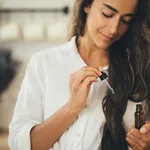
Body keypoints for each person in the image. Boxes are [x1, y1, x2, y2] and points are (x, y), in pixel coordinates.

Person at [8, 0, 150, 149]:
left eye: (125, 20)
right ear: (87, 5)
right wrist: (72, 107)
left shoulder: (141, 69)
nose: (114, 28)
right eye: (107, 14)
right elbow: (19, 145)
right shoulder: (44, 63)